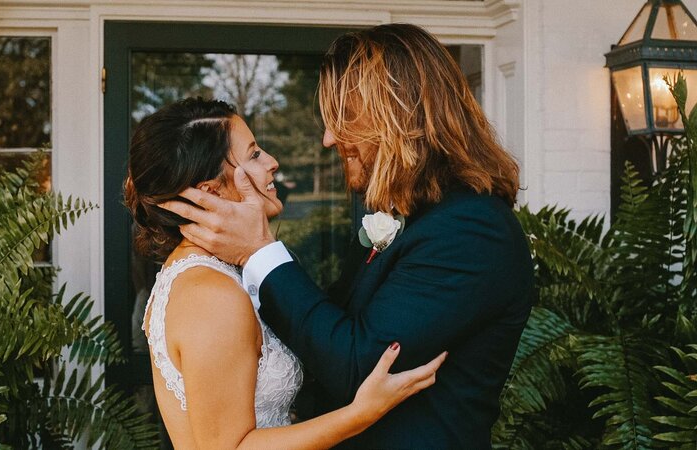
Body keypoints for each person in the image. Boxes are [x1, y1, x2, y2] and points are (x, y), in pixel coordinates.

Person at [160, 23, 535, 449]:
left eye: (343, 120)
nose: (328, 138)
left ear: (398, 117)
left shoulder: (470, 232)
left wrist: (259, 252)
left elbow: (358, 365)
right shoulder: (406, 216)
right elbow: (328, 333)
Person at [124, 97, 447, 449]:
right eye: (254, 155)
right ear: (210, 193)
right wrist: (360, 414)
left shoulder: (214, 272)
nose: (273, 162)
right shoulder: (210, 294)